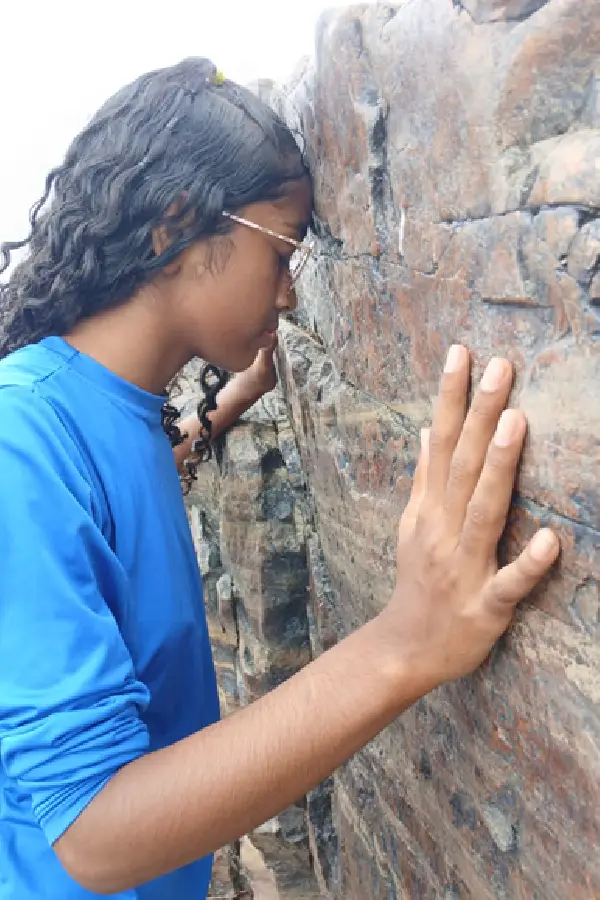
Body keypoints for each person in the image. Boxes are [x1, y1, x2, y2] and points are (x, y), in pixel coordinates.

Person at [0, 57, 559, 900]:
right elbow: (92, 833)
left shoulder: (117, 408)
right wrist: (405, 642)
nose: (291, 296)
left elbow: (126, 496)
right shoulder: (20, 438)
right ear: (173, 229)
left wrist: (235, 397)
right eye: (281, 252)